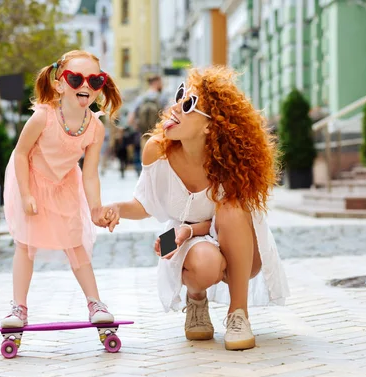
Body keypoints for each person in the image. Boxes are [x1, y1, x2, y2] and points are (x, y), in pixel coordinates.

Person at [105, 66, 290, 350]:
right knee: (203, 262)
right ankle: (196, 300)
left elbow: (222, 221)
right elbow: (145, 203)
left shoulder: (229, 164)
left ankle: (238, 314)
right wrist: (116, 208)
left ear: (209, 125)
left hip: (238, 243)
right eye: (180, 95)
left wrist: (189, 230)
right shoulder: (157, 150)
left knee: (232, 208)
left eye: (189, 104)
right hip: (185, 240)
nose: (176, 106)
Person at [1, 50, 122, 328]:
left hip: (66, 183)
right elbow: (20, 154)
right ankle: (18, 307)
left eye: (95, 81)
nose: (85, 86)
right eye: (76, 78)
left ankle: (95, 303)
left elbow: (90, 174)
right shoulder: (43, 117)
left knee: (75, 243)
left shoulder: (94, 127)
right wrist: (26, 194)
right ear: (59, 84)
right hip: (30, 179)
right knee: (25, 243)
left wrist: (95, 208)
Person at [127, 75, 169, 176]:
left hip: (144, 132)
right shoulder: (162, 97)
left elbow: (130, 118)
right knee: (160, 154)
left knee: (145, 153)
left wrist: (137, 126)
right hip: (158, 132)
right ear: (156, 83)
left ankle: (145, 174)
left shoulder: (141, 97)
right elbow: (168, 114)